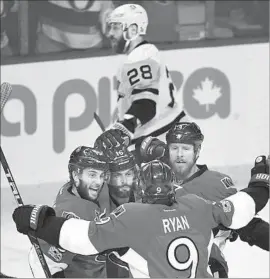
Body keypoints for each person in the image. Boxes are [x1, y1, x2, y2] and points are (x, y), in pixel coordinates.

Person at [12, 158, 269, 278]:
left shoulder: (132, 217)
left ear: (141, 189)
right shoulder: (197, 206)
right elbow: (243, 206)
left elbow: (82, 239)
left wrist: (38, 221)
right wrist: (261, 184)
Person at [139, 121, 270, 276]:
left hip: (202, 268)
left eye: (186, 149)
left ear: (198, 150)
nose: (180, 154)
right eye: (175, 148)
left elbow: (250, 225)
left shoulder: (216, 184)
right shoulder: (154, 177)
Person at [29, 146, 139, 278]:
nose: (98, 182)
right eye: (92, 175)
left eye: (101, 175)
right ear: (75, 175)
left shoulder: (96, 189)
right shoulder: (67, 214)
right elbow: (40, 260)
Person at [103, 3, 188, 154]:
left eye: (115, 27)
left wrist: (123, 129)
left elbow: (146, 104)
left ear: (133, 30)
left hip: (160, 138)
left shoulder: (141, 55)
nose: (110, 33)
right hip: (163, 136)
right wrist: (118, 126)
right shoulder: (142, 54)